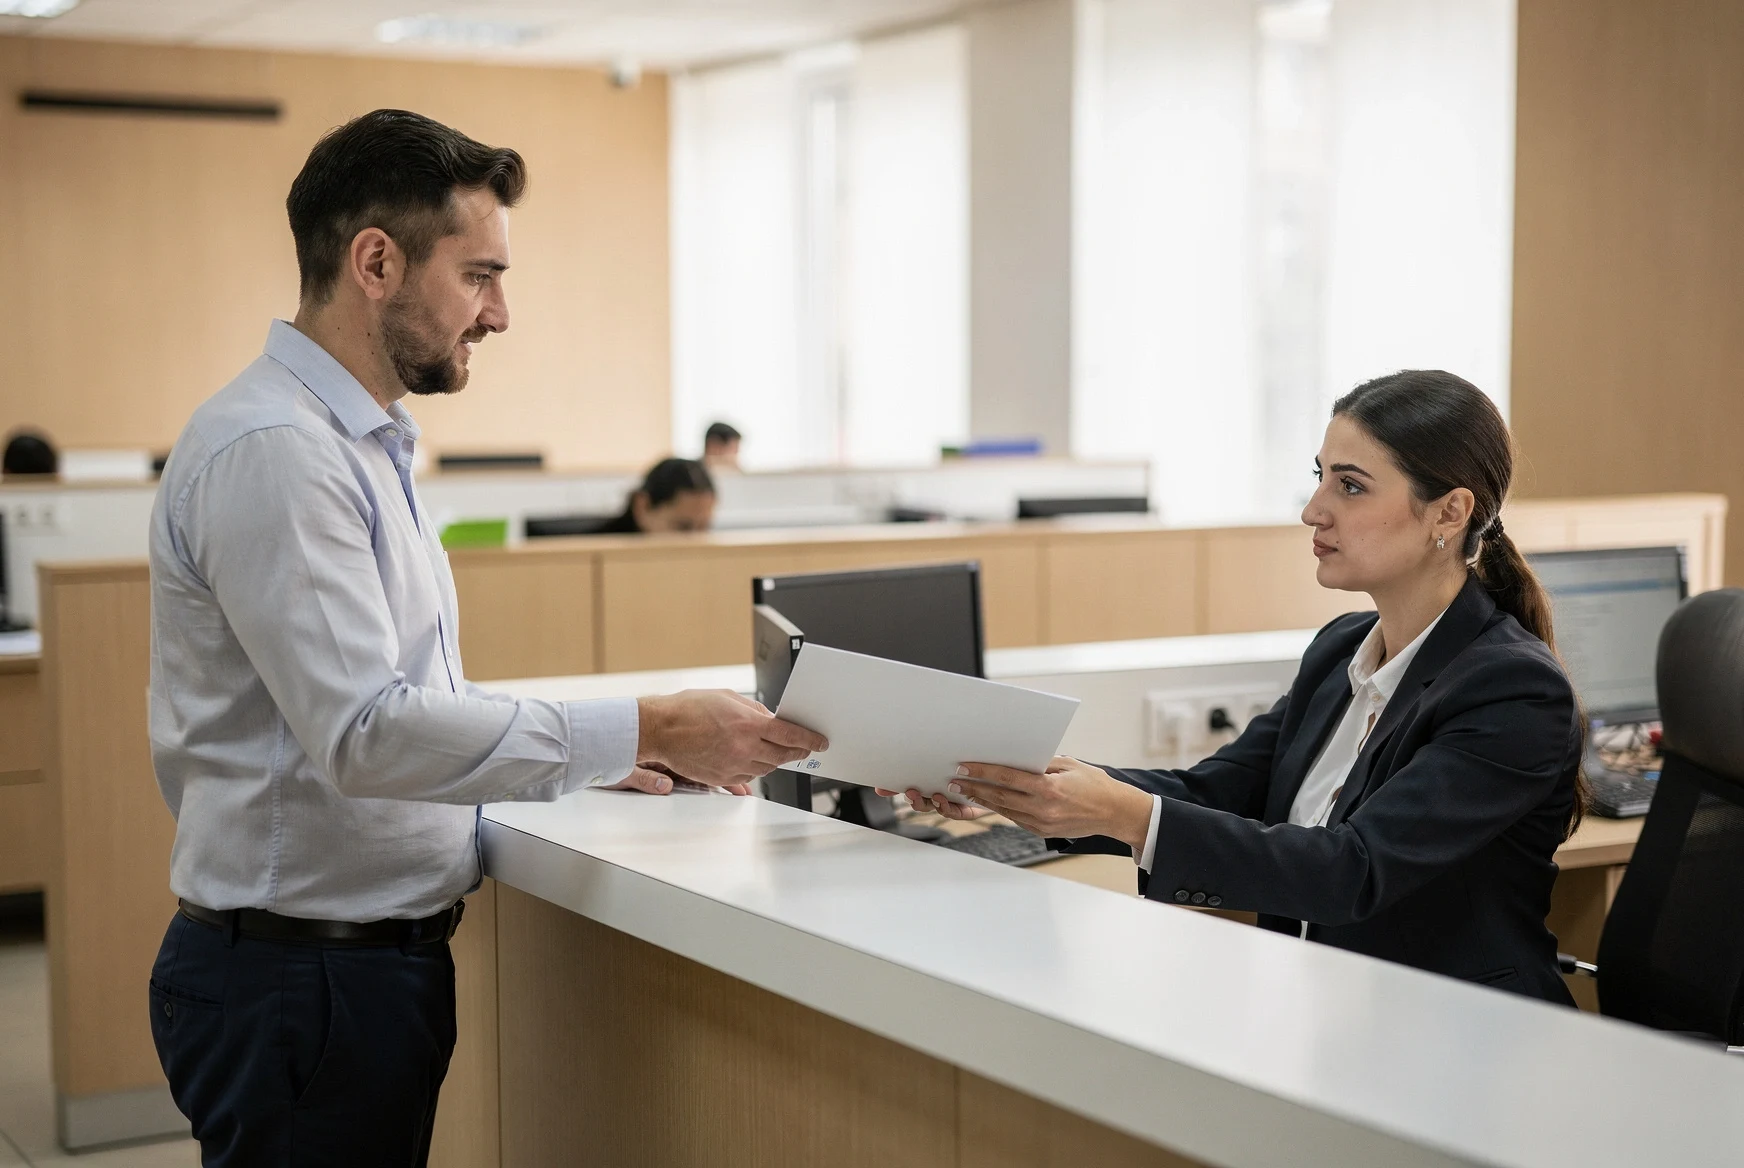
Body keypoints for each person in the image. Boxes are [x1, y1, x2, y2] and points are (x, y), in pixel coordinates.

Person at [145, 109, 826, 1167]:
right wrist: (648, 720)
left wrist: (608, 752)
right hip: (301, 982)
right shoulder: (280, 451)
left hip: (343, 973)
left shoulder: (359, 441)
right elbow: (368, 733)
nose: (500, 313)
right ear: (376, 261)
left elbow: (405, 697)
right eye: (479, 275)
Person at [894, 370, 1586, 1004]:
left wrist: (1122, 813)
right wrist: (1019, 786)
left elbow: (1353, 872)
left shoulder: (1512, 689)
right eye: (1319, 478)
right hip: (1322, 1009)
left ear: (1449, 511)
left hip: (1456, 1030)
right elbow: (1214, 793)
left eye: (1350, 486)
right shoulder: (1341, 650)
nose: (1313, 510)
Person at [589, 456, 716, 534]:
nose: (696, 541)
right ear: (642, 506)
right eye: (683, 528)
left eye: (703, 528)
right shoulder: (582, 557)